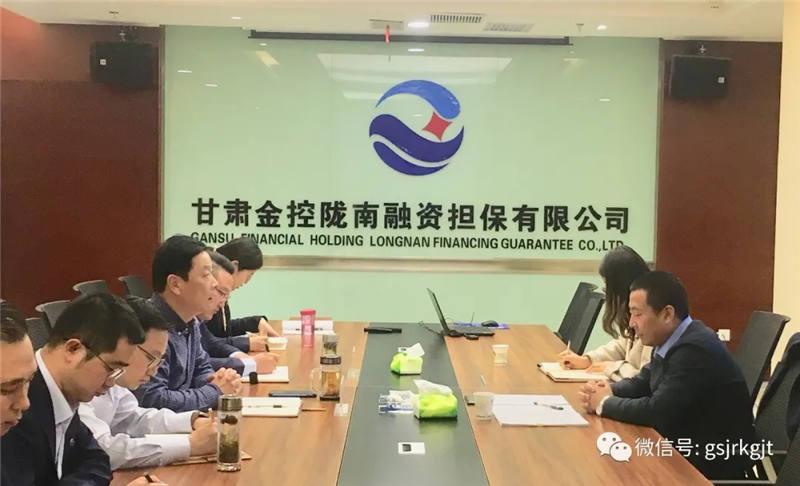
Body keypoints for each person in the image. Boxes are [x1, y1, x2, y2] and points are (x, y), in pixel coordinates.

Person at [578, 271, 754, 479]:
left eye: (637, 314)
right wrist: (606, 390)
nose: (631, 323)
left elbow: (657, 411)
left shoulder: (694, 350)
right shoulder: (672, 339)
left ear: (667, 314)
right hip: (685, 446)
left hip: (708, 463)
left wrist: (604, 403)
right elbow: (642, 383)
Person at [1, 294, 146, 485]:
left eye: (29, 381)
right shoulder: (16, 421)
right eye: (8, 389)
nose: (24, 402)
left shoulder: (64, 396)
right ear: (73, 349)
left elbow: (97, 460)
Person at [79, 296, 218, 469]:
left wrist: (192, 421)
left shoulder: (113, 382)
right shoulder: (83, 382)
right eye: (151, 358)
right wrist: (190, 444)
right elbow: (102, 449)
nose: (154, 371)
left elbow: (134, 419)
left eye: (159, 361)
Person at [133, 235, 242, 413]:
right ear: (175, 284)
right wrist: (214, 391)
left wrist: (215, 380)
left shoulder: (190, 321)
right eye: (206, 275)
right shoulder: (150, 327)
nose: (214, 283)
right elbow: (152, 399)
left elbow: (201, 367)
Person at [558, 245, 653, 381]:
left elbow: (645, 380)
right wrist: (588, 360)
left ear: (620, 287)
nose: (607, 293)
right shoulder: (636, 313)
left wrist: (613, 367)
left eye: (607, 286)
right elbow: (622, 345)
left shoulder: (651, 320)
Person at [198, 251, 278, 375]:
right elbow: (196, 365)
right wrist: (249, 364)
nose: (222, 303)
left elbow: (211, 343)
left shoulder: (193, 321)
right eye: (220, 292)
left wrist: (242, 357)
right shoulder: (171, 323)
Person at [205, 237, 279, 351]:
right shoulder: (207, 294)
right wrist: (246, 343)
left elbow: (222, 330)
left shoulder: (218, 292)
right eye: (250, 274)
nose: (247, 281)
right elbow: (206, 344)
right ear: (235, 266)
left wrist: (255, 322)